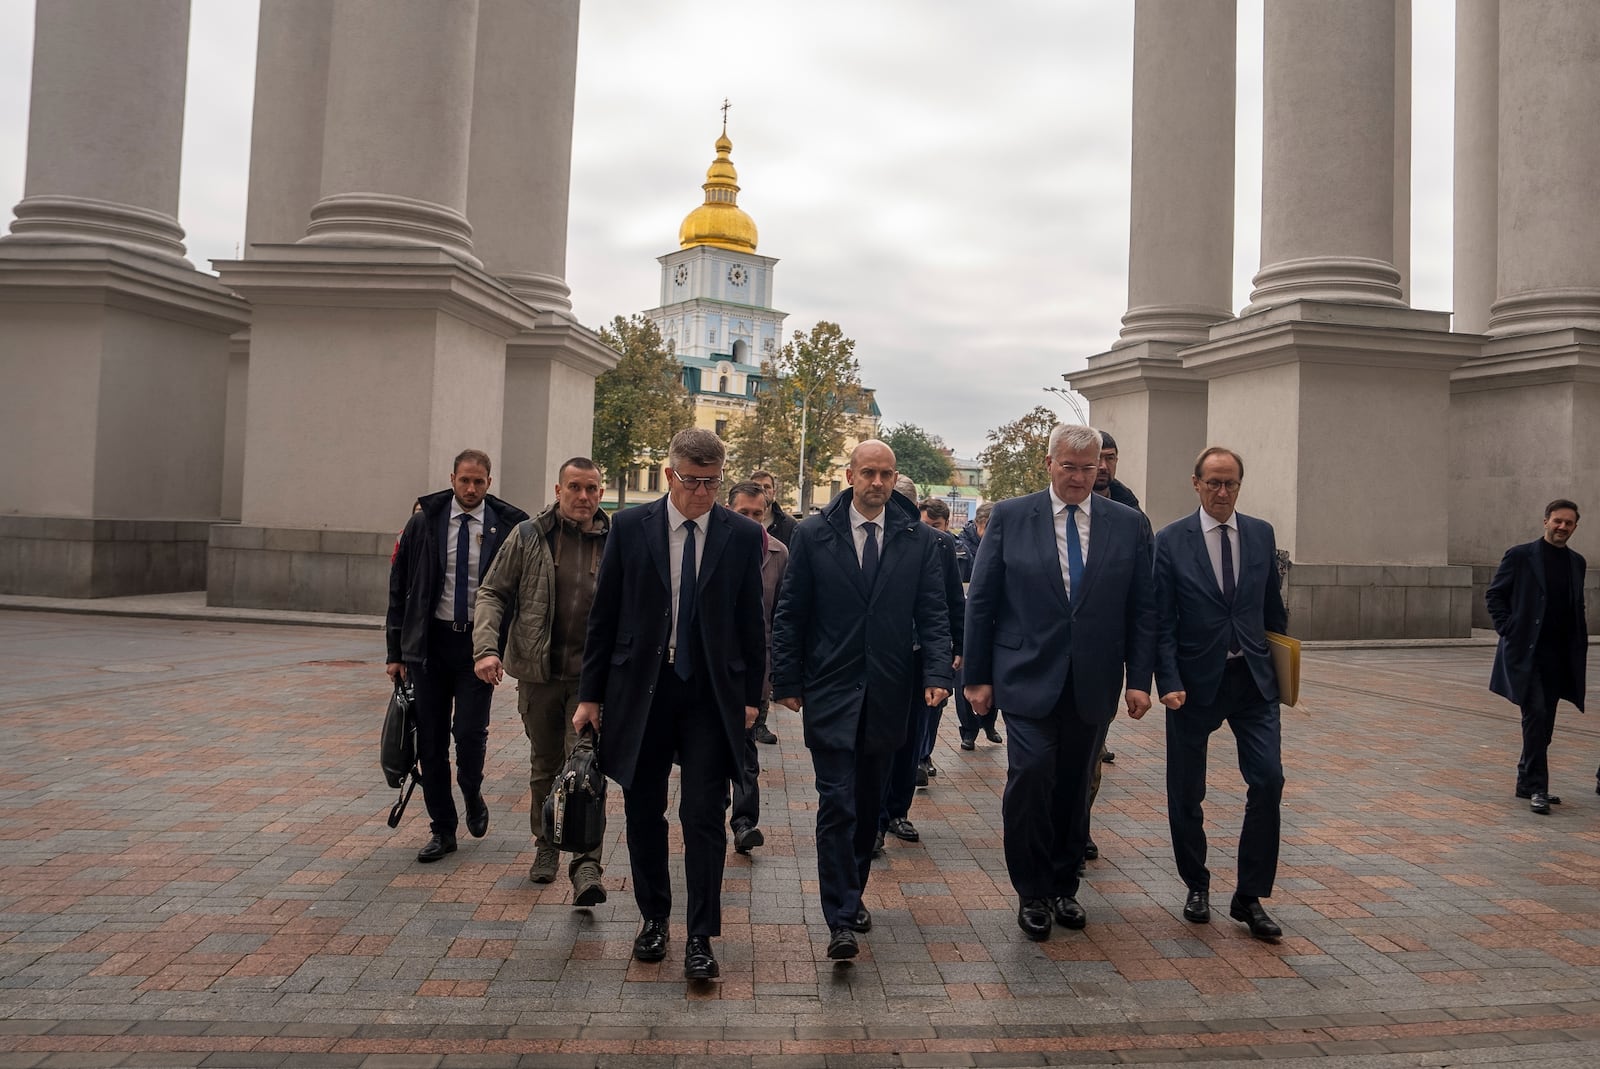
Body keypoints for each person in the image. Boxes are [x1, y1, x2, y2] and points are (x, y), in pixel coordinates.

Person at [575, 429, 765, 982]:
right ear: (669, 476)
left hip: (710, 694)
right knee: (643, 811)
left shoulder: (741, 535)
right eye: (692, 481)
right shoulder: (632, 528)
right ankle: (654, 918)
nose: (702, 493)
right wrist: (590, 694)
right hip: (643, 690)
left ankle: (701, 935)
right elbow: (604, 614)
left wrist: (754, 698)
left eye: (712, 482)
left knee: (704, 816)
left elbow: (752, 623)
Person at [963, 424, 1155, 941]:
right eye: (1068, 466)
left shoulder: (1127, 524)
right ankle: (1032, 891)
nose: (1077, 477)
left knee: (1075, 785)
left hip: (1092, 681)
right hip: (1025, 675)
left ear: (1102, 469)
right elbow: (982, 602)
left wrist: (1140, 679)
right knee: (1030, 773)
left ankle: (1065, 885)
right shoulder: (1009, 517)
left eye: (1088, 468)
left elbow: (1142, 609)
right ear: (1048, 464)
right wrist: (977, 677)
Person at [772, 440, 953, 961]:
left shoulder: (916, 540)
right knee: (837, 803)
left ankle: (852, 892)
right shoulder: (813, 534)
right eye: (869, 473)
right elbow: (791, 613)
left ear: (896, 480)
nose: (878, 483)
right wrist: (786, 682)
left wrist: (938, 671)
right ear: (849, 475)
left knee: (869, 805)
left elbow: (933, 612)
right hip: (830, 690)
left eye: (887, 475)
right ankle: (840, 916)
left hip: (890, 692)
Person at [1153, 446, 1288, 941]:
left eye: (1230, 483)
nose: (1222, 492)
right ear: (1196, 484)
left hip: (1253, 681)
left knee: (1269, 781)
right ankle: (1197, 883)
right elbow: (1161, 621)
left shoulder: (1260, 534)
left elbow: (1273, 609)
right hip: (1193, 684)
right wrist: (1166, 681)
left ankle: (1250, 896)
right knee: (1187, 790)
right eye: (1213, 483)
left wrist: (1280, 667)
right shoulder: (1171, 541)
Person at [472, 457, 609, 905]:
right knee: (545, 767)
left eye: (591, 489)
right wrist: (486, 648)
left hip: (591, 681)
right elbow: (493, 591)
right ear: (558, 490)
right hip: (539, 675)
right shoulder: (529, 536)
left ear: (601, 494)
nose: (583, 497)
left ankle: (586, 865)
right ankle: (546, 845)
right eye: (575, 487)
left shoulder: (616, 539)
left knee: (587, 771)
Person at [386, 449, 529, 864]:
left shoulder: (507, 526)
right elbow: (400, 588)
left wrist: (505, 643)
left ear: (489, 482)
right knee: (430, 743)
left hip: (478, 649)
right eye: (464, 480)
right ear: (452, 479)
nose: (471, 488)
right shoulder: (424, 523)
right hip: (429, 648)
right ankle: (442, 829)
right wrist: (395, 651)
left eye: (479, 482)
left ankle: (471, 789)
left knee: (468, 732)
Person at [874, 489, 965, 857]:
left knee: (910, 738)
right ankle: (875, 819)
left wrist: (952, 653)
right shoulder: (872, 539)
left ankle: (898, 811)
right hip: (877, 657)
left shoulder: (937, 544)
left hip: (917, 656)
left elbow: (950, 601)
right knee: (877, 740)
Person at [1486, 499, 1588, 815]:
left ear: (1574, 527)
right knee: (1536, 716)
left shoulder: (1577, 562)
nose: (1562, 527)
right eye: (1557, 521)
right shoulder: (1520, 556)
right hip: (1527, 655)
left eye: (1568, 523)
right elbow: (1495, 594)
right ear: (1545, 521)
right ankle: (1538, 788)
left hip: (1560, 656)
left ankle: (1525, 781)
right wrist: (1508, 628)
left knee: (1545, 725)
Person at [725, 480, 790, 854]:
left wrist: (777, 674)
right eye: (743, 512)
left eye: (757, 513)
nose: (751, 520)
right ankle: (711, 807)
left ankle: (745, 821)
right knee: (713, 744)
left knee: (746, 746)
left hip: (755, 667)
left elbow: (783, 616)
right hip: (713, 666)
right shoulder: (712, 546)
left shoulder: (779, 553)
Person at [953, 501, 1001, 751]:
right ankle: (969, 730)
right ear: (981, 524)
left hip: (993, 624)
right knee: (966, 679)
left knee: (994, 676)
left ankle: (989, 723)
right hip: (965, 623)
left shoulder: (999, 543)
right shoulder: (961, 547)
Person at [749, 468, 797, 548]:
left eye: (767, 486)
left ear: (774, 492)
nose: (762, 490)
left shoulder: (789, 525)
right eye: (757, 487)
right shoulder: (741, 519)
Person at [1095, 430, 1141, 510]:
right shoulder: (1070, 500)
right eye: (1098, 458)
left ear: (1116, 461)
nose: (1103, 466)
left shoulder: (1127, 502)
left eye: (1110, 458)